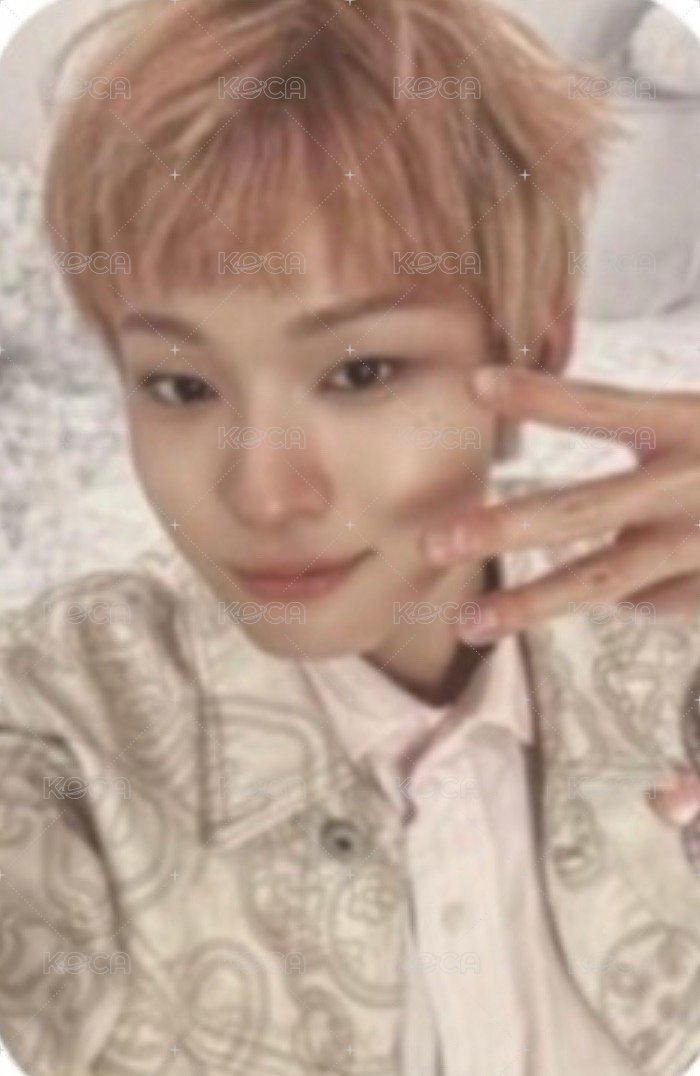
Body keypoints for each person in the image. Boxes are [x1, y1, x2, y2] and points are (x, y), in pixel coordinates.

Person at [2, 0, 700, 1073]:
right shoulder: (51, 727)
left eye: (360, 371)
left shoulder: (669, 633)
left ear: (533, 345)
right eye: (180, 386)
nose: (264, 493)